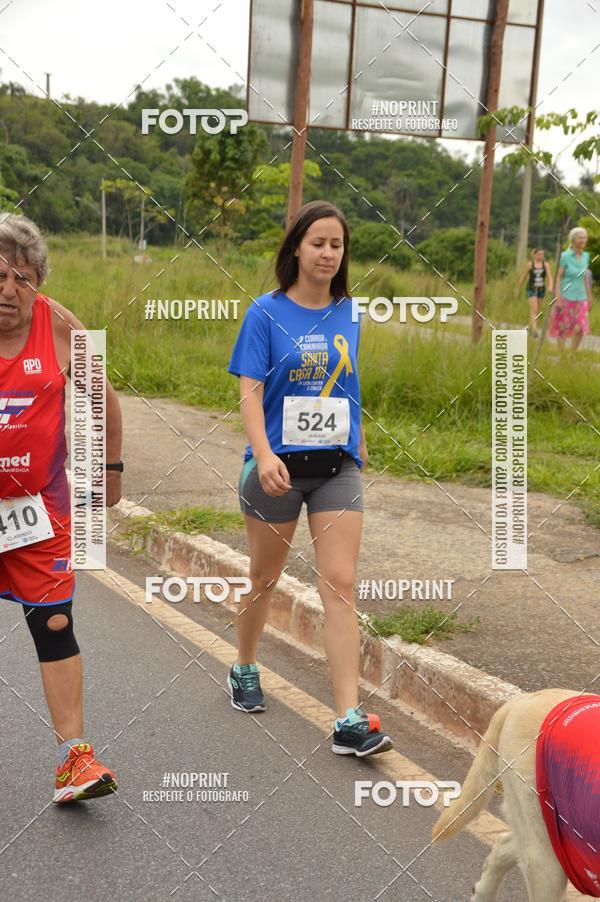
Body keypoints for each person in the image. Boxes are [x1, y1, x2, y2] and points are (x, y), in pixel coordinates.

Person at [227, 200, 392, 758]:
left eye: (337, 245)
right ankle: (245, 664)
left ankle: (348, 717)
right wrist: (263, 453)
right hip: (277, 468)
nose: (327, 253)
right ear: (296, 247)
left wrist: (358, 434)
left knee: (339, 584)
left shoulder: (349, 311)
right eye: (318, 242)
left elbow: (347, 381)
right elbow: (249, 391)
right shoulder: (265, 313)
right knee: (264, 581)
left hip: (336, 466)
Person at [0, 213, 124, 802]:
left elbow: (103, 393)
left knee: (54, 623)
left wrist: (111, 469)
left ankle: (75, 761)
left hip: (37, 510)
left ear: (37, 283)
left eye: (21, 278)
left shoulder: (59, 327)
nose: (7, 290)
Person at [549, 226, 592, 352]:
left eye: (585, 237)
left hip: (581, 296)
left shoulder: (586, 256)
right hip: (566, 295)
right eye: (580, 237)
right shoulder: (565, 256)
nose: (583, 240)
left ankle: (572, 354)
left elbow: (585, 277)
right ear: (573, 239)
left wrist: (589, 296)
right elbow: (558, 277)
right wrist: (557, 298)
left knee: (581, 328)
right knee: (563, 327)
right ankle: (561, 356)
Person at [517, 247, 553, 337]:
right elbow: (523, 277)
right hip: (531, 289)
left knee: (537, 310)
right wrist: (518, 288)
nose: (541, 256)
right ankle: (534, 330)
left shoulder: (546, 265)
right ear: (535, 254)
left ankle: (530, 327)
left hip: (541, 289)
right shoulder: (530, 265)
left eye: (542, 254)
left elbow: (549, 277)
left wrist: (550, 286)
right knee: (534, 309)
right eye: (539, 254)